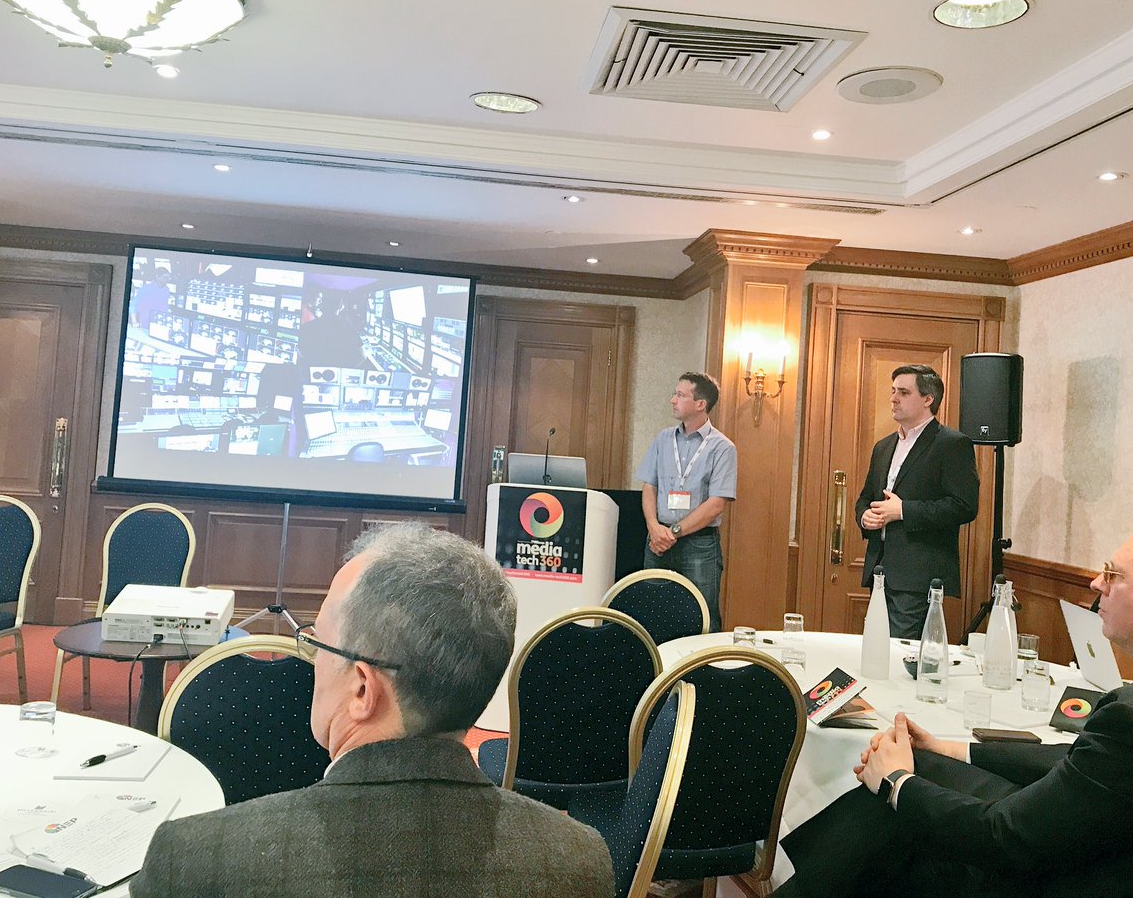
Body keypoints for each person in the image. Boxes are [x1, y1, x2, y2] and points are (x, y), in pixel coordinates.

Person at [130, 523, 614, 898]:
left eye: (318, 642)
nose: (312, 658)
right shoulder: (578, 861)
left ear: (363, 689)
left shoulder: (192, 862)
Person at [778, 513, 1133, 898]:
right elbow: (1077, 760)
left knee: (891, 822)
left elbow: (1006, 837)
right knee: (923, 767)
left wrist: (895, 782)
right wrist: (949, 748)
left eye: (1114, 575)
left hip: (1071, 878)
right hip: (1112, 852)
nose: (1096, 584)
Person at [855, 364, 979, 637]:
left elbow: (964, 506)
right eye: (893, 391)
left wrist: (903, 510)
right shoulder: (883, 446)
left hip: (918, 575)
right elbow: (865, 498)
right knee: (875, 648)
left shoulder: (952, 444)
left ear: (927, 399)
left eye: (903, 392)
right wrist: (864, 516)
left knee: (899, 654)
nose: (893, 399)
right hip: (879, 570)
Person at [637, 372, 737, 631]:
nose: (673, 400)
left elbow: (716, 504)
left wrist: (673, 532)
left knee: (702, 617)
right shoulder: (663, 439)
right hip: (657, 540)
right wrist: (653, 527)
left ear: (700, 404)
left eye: (680, 395)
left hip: (699, 545)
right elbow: (649, 486)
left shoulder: (722, 448)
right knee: (652, 615)